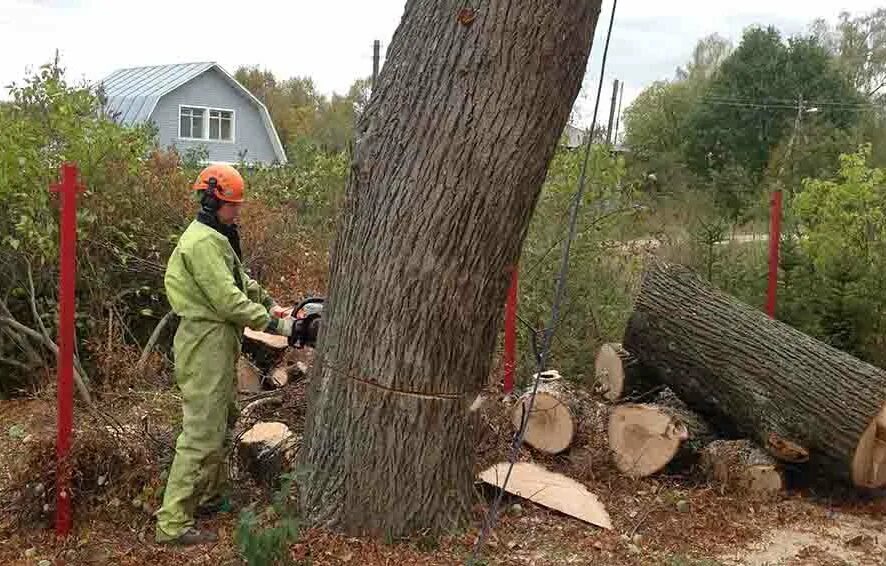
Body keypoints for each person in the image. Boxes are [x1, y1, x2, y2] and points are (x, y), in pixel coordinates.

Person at [155, 164, 293, 545]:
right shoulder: (200, 243)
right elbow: (227, 299)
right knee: (201, 431)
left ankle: (211, 498)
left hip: (218, 339)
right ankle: (172, 523)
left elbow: (240, 281)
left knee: (224, 417)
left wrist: (271, 303)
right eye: (232, 205)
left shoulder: (216, 237)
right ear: (213, 200)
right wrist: (278, 326)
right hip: (204, 341)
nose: (238, 211)